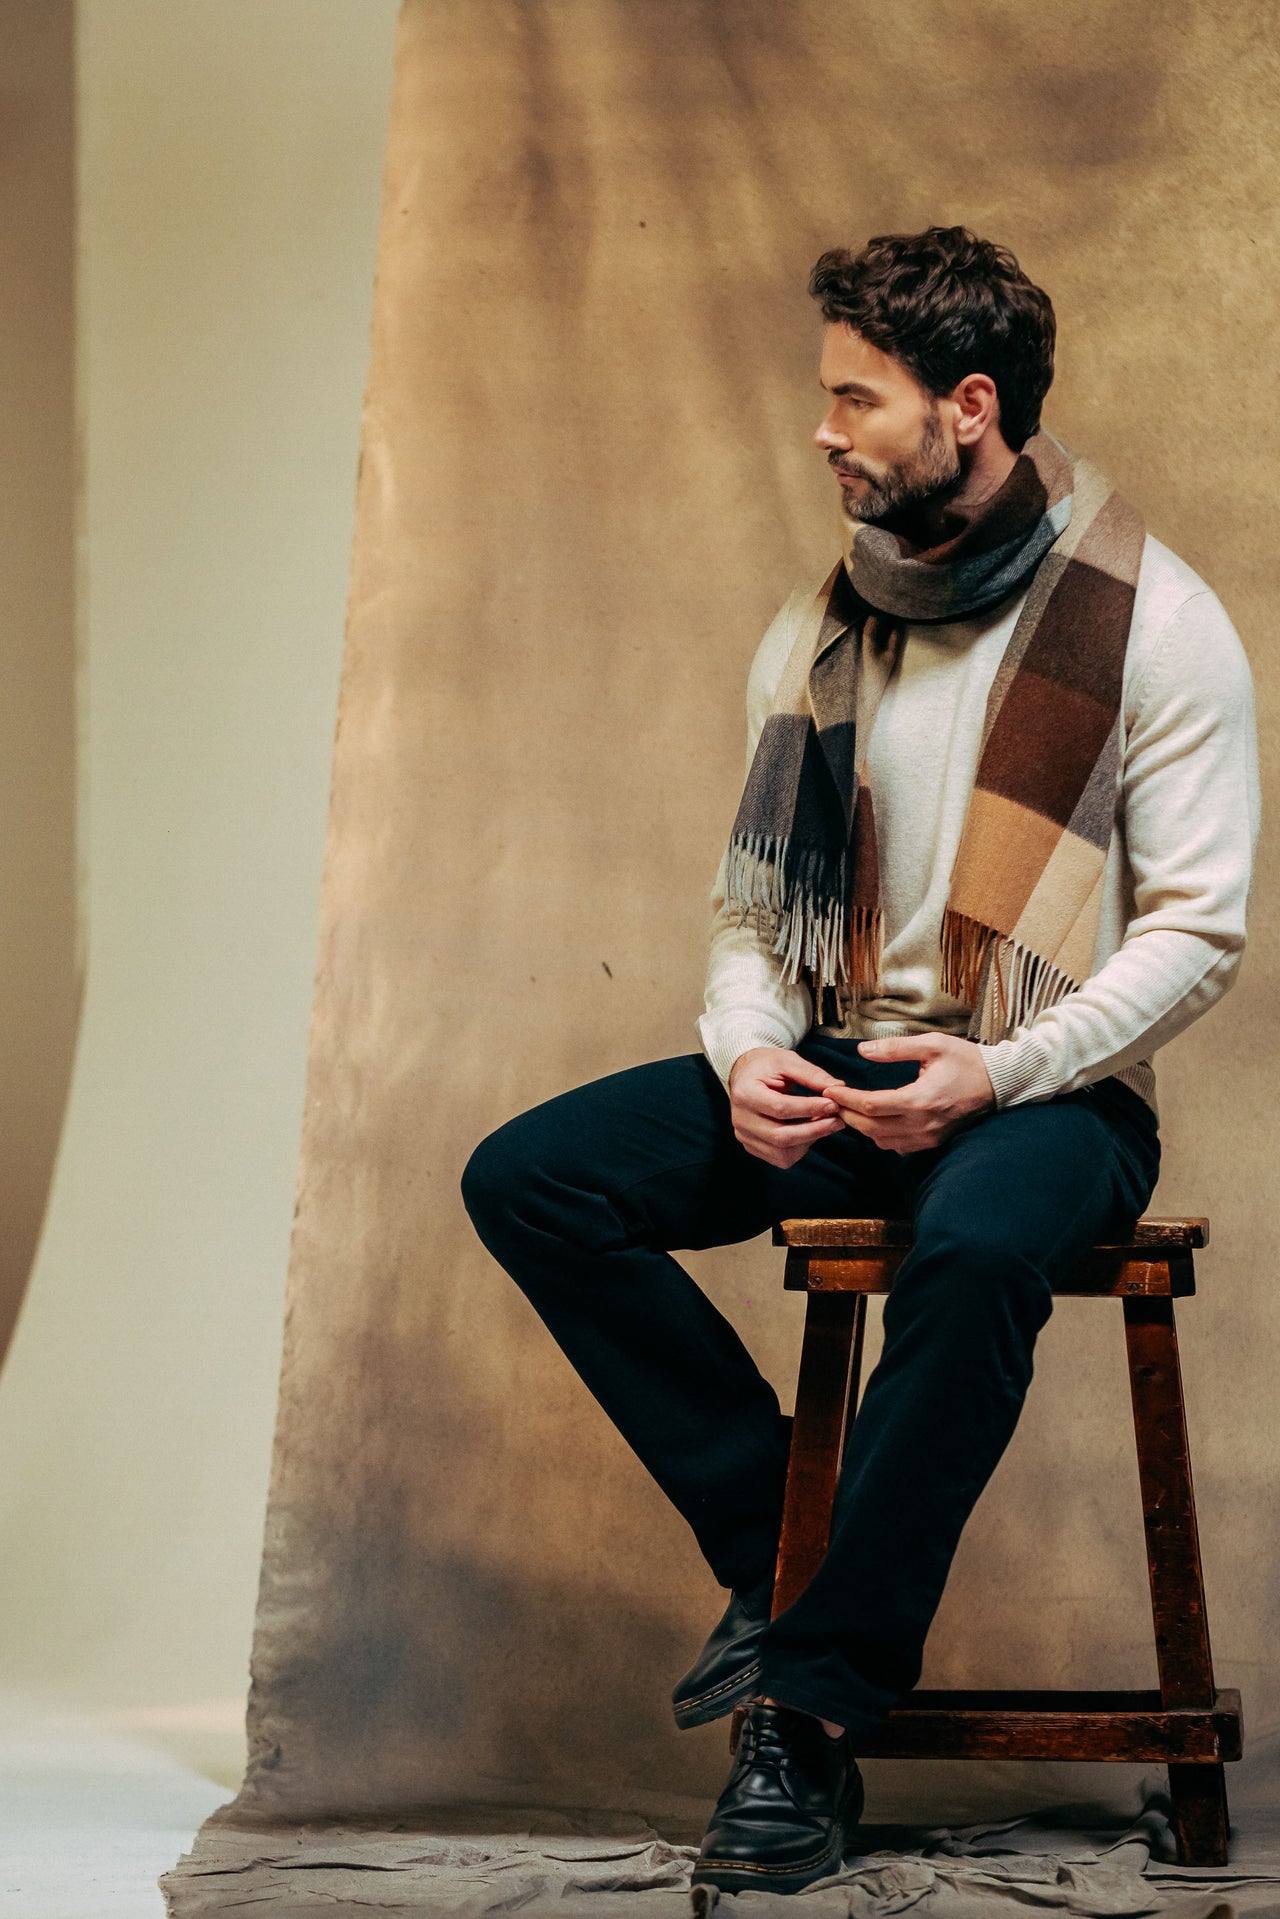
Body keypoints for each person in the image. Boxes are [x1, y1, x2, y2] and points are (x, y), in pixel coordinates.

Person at [460, 225, 1260, 1897]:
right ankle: (787, 1556)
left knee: (972, 1256)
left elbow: (1196, 931)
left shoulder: (1158, 626)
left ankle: (810, 1713)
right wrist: (750, 1055)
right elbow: (754, 912)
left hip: (1048, 1092)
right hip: (844, 1064)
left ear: (968, 409)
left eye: (855, 398)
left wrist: (997, 1073)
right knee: (534, 1179)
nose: (823, 429)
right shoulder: (823, 631)